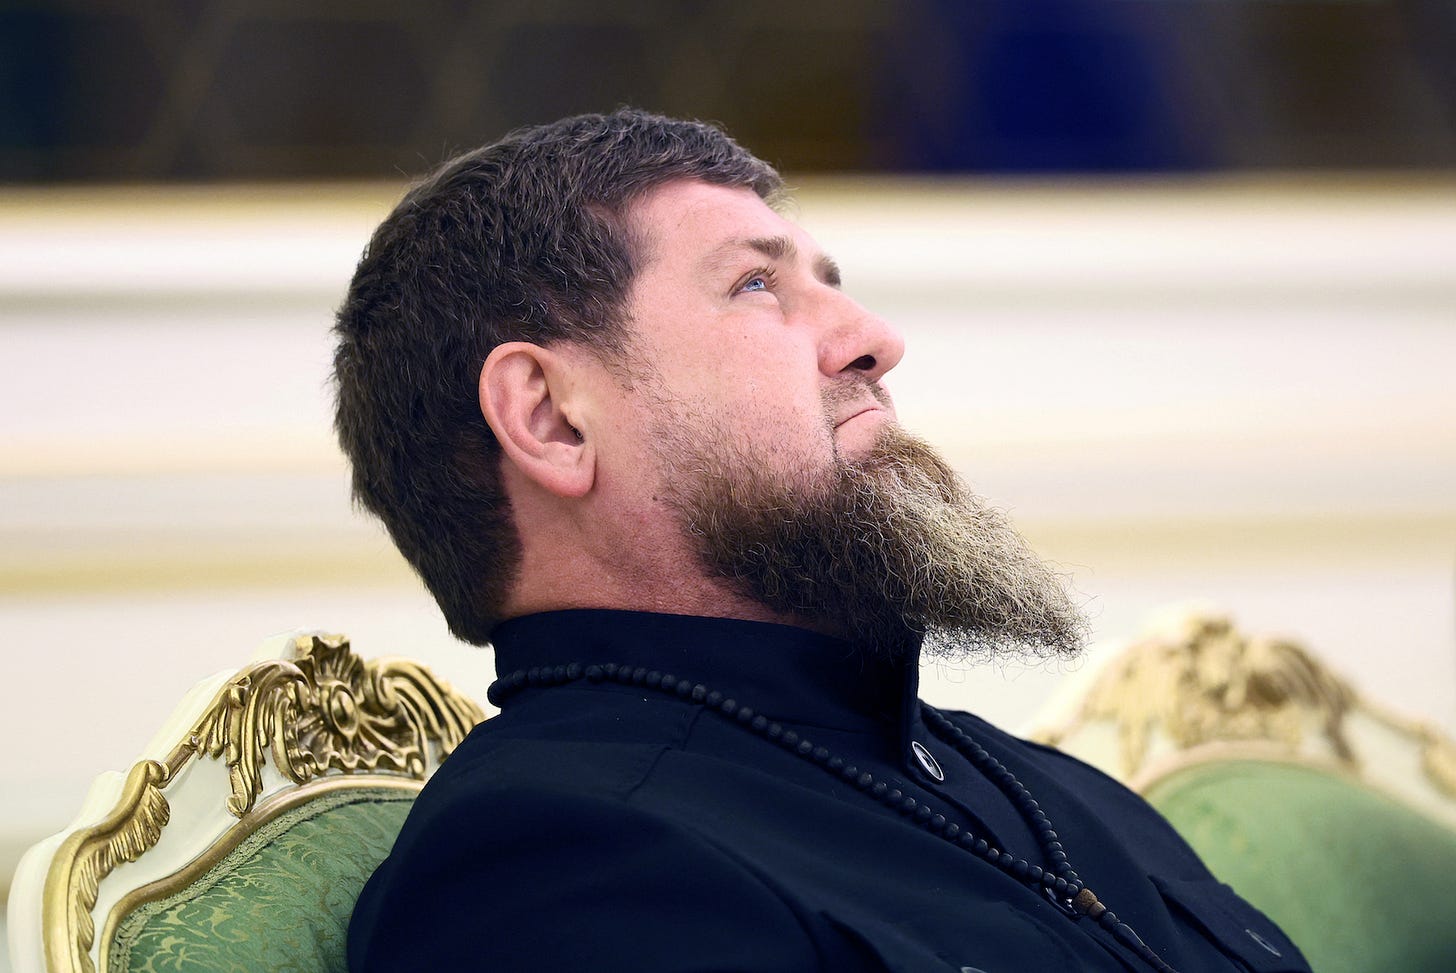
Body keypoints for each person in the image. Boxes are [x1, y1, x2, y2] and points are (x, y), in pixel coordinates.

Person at [335, 110, 1310, 973]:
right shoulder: (553, 868)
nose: (873, 338)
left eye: (830, 283)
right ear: (549, 418)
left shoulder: (1038, 784)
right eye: (756, 285)